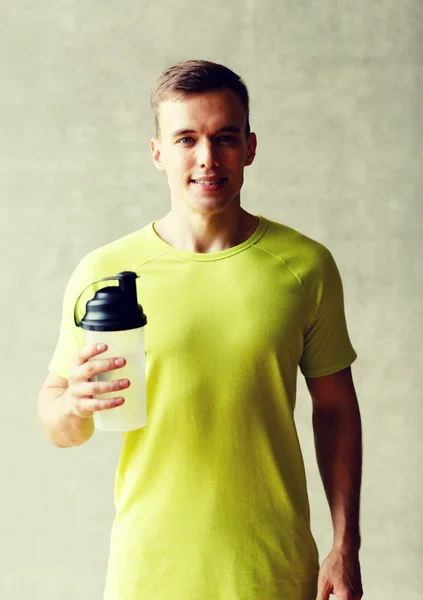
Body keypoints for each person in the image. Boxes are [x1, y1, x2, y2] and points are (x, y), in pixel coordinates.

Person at [37, 59, 363, 600]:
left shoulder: (305, 266)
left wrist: (345, 546)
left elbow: (335, 409)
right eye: (186, 138)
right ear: (158, 152)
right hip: (148, 575)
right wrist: (71, 405)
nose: (207, 159)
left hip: (275, 572)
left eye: (224, 138)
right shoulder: (103, 274)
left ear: (250, 148)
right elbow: (58, 424)